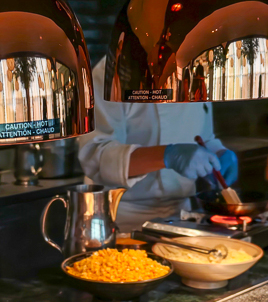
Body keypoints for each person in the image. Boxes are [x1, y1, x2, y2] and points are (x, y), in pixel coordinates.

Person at [77, 56, 240, 233]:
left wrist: (218, 153)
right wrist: (168, 155)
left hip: (182, 216)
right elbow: (96, 156)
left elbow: (203, 137)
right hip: (120, 218)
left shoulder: (197, 72)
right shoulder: (112, 74)